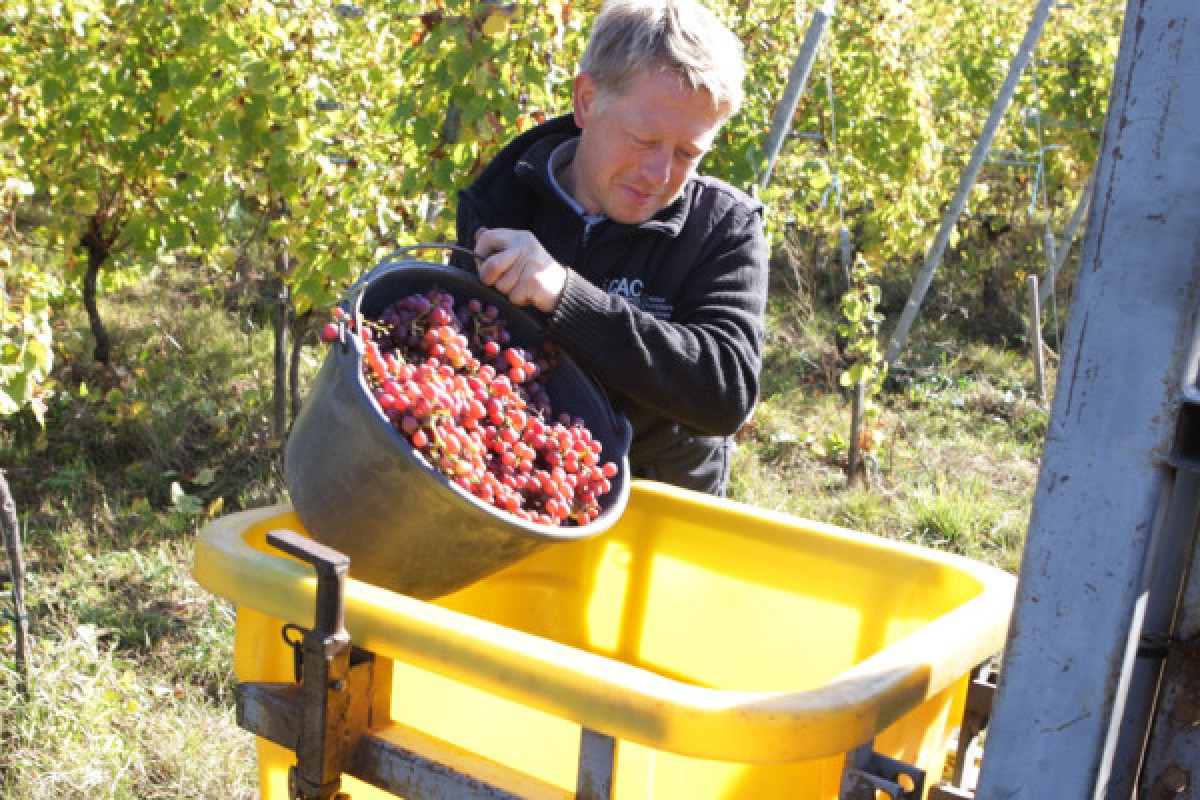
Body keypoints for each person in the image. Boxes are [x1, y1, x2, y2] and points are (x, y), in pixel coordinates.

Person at [453, 0, 768, 497]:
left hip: (662, 509)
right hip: (522, 496)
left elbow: (725, 393)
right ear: (586, 101)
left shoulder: (723, 227)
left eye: (688, 152)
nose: (660, 174)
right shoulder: (501, 203)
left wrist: (569, 300)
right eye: (644, 141)